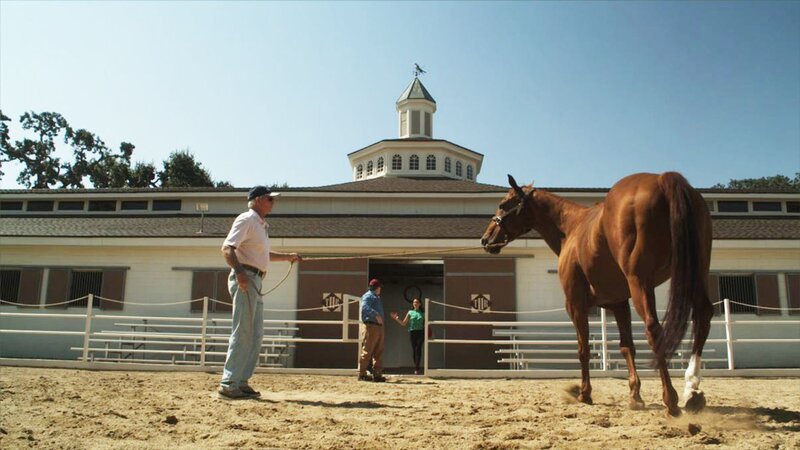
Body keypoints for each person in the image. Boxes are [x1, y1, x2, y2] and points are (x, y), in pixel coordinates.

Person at [219, 185, 301, 399]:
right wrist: (240, 273)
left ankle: (241, 380)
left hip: (254, 279)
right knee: (243, 331)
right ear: (256, 200)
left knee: (255, 333)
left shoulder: (260, 225)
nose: (273, 202)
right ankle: (229, 382)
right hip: (246, 277)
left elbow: (263, 255)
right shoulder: (247, 219)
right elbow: (227, 248)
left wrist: (288, 256)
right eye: (269, 199)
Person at [358, 278, 386, 382]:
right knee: (368, 349)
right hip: (371, 325)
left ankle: (377, 374)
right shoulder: (368, 296)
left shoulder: (376, 297)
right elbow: (364, 307)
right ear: (377, 288)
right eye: (379, 287)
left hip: (378, 326)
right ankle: (362, 373)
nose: (380, 289)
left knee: (379, 350)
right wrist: (376, 315)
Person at [390, 298, 425, 374]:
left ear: (420, 304)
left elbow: (426, 324)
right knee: (414, 349)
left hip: (421, 332)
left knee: (418, 349)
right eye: (414, 302)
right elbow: (403, 323)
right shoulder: (410, 312)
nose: (415, 304)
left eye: (417, 302)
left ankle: (417, 368)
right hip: (412, 332)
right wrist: (396, 318)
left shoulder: (423, 313)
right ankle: (416, 365)